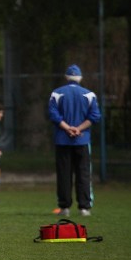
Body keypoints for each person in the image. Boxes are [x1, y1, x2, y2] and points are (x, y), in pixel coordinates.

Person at [48, 64, 102, 217]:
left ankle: (64, 207)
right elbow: (95, 116)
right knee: (83, 173)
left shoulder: (56, 93)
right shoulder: (89, 95)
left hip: (62, 140)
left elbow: (53, 115)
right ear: (80, 78)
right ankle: (84, 207)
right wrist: (79, 129)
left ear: (66, 77)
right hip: (82, 140)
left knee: (64, 174)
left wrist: (68, 128)